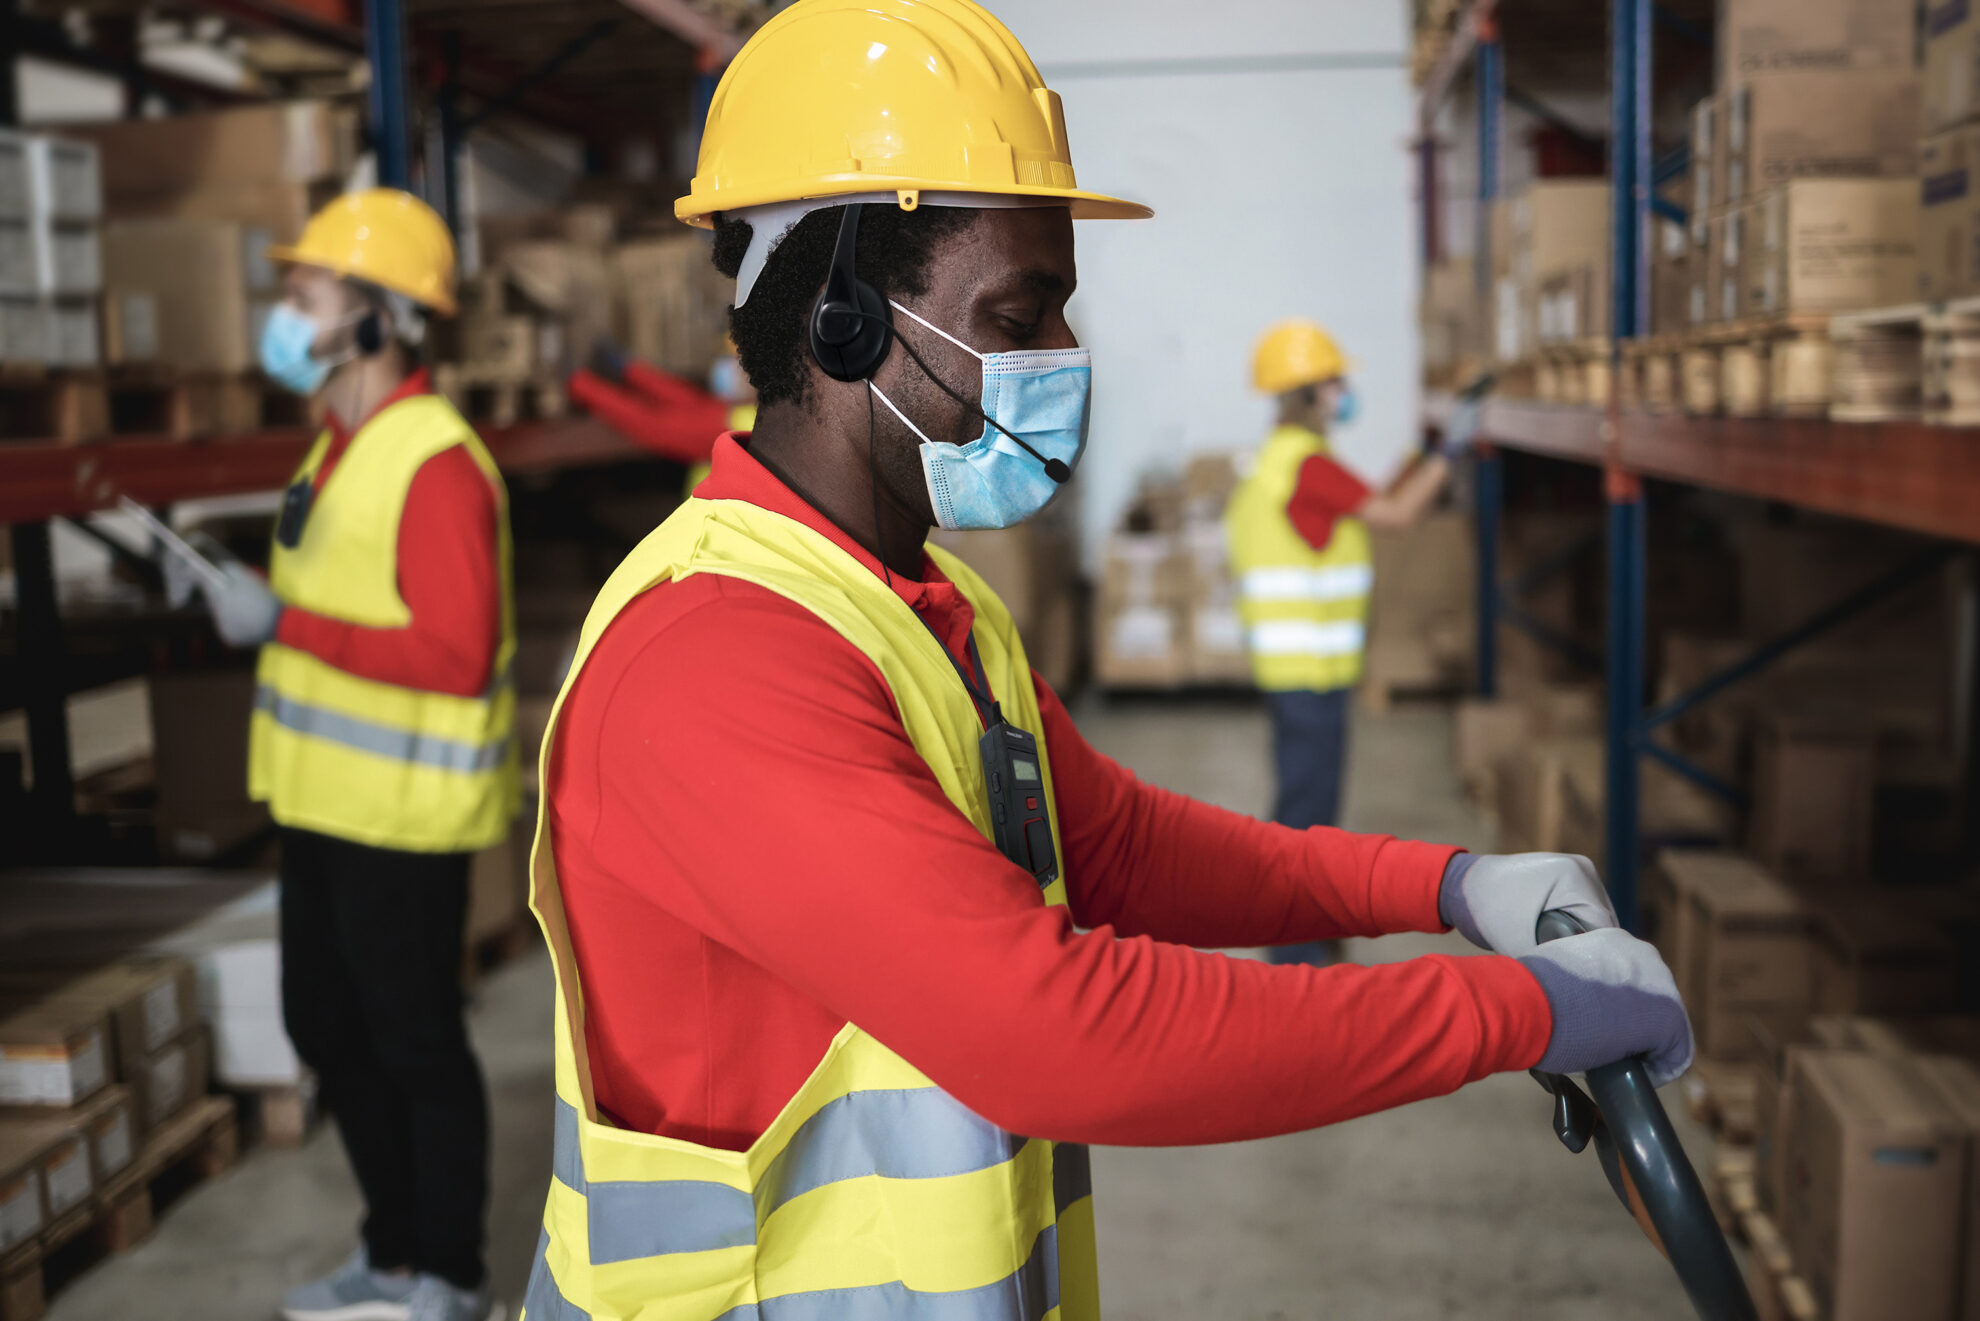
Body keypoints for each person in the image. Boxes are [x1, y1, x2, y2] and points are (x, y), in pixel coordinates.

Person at [522, 3, 1691, 1319]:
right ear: (844, 321)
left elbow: (1119, 847)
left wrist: (1449, 882)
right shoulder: (714, 662)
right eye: (1018, 314)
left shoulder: (920, 602)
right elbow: (1057, 1032)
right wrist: (1514, 1011)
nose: (1059, 360)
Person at [194, 188, 514, 1321]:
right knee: (329, 1031)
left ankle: (452, 1276)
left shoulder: (433, 461)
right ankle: (389, 1257)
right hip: (320, 806)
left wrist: (281, 622)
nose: (281, 314)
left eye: (305, 294)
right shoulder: (331, 447)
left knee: (417, 1045)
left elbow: (455, 651)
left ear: (378, 317)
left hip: (403, 816)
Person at [1226, 318, 1463, 965]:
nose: (1344, 391)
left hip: (1301, 671)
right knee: (1307, 812)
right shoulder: (1308, 466)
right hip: (1309, 671)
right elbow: (1398, 514)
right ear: (1309, 392)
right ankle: (1296, 949)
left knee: (1314, 809)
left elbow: (1372, 498)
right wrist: (1452, 456)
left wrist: (1420, 456)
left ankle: (1312, 927)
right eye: (1335, 381)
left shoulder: (1290, 461)